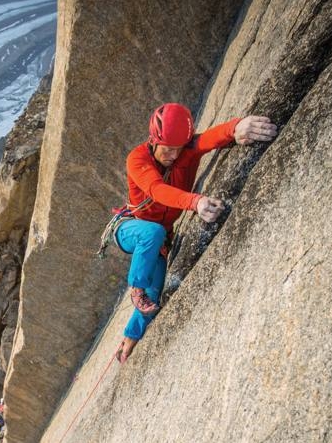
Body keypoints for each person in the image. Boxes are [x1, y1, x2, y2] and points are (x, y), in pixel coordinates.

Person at [112, 103, 277, 363]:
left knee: (153, 295)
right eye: (168, 149)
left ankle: (129, 338)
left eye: (179, 148)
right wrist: (195, 202)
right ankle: (136, 287)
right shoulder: (137, 159)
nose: (173, 155)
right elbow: (156, 190)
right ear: (154, 140)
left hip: (159, 237)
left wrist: (236, 127)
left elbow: (209, 138)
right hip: (129, 229)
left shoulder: (184, 152)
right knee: (151, 234)